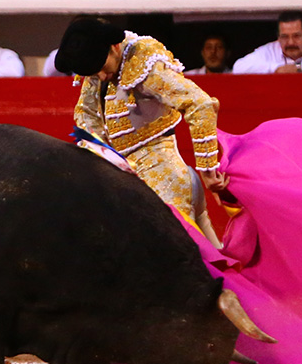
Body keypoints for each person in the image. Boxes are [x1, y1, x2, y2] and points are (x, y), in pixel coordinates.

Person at [54, 18, 227, 230]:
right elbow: (87, 116)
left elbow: (200, 104)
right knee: (210, 258)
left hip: (166, 183)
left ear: (115, 47)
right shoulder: (99, 67)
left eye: (101, 68)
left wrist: (208, 170)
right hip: (136, 182)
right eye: (93, 73)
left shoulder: (144, 65)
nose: (101, 76)